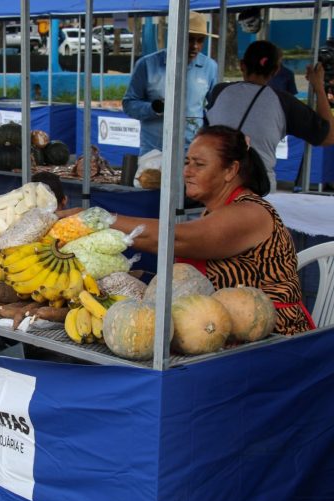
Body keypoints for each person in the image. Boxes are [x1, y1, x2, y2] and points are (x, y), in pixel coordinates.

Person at [60, 125, 313, 336]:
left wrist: (98, 220)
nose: (187, 171)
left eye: (199, 164)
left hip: (272, 338)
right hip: (216, 327)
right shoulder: (213, 210)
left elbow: (174, 239)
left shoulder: (249, 213)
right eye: (187, 162)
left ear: (231, 170)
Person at [206, 40, 334, 191]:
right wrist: (318, 87)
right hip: (258, 189)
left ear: (242, 65)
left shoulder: (219, 92)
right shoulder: (283, 102)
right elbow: (328, 137)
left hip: (217, 184)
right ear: (276, 70)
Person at [122, 11, 218, 156]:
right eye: (190, 39)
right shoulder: (147, 65)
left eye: (200, 40)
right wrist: (154, 108)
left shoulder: (209, 67)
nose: (195, 46)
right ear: (176, 36)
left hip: (191, 153)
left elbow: (215, 108)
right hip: (154, 151)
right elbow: (129, 104)